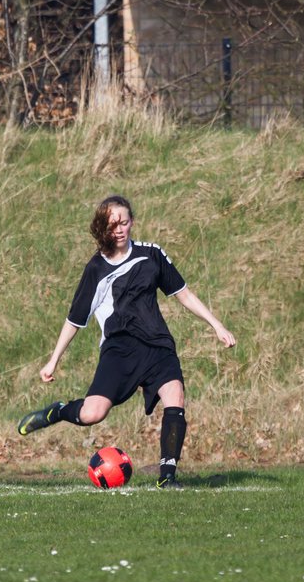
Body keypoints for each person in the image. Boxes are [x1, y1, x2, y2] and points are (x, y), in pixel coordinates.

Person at [16, 195, 236, 488]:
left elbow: (183, 293)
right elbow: (75, 320)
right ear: (102, 228)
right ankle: (58, 411)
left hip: (158, 346)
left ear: (132, 220)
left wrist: (216, 325)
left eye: (124, 221)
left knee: (176, 398)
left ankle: (167, 478)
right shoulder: (96, 268)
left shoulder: (151, 254)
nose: (119, 229)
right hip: (119, 350)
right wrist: (53, 359)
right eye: (112, 224)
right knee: (92, 413)